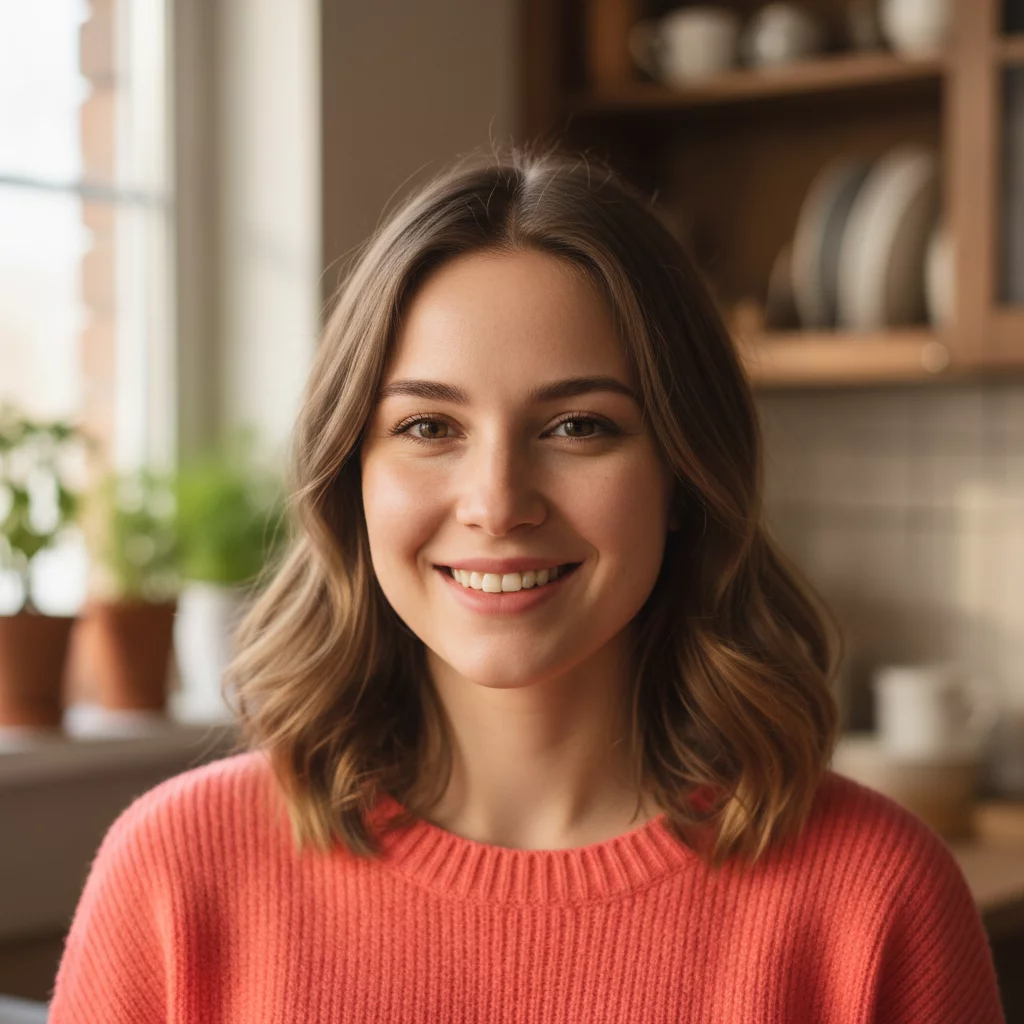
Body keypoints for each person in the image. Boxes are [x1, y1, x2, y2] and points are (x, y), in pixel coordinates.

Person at [48, 144, 1005, 1023]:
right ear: (352, 479)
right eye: (429, 428)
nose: (498, 503)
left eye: (579, 426)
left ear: (684, 476)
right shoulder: (175, 875)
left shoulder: (879, 899)